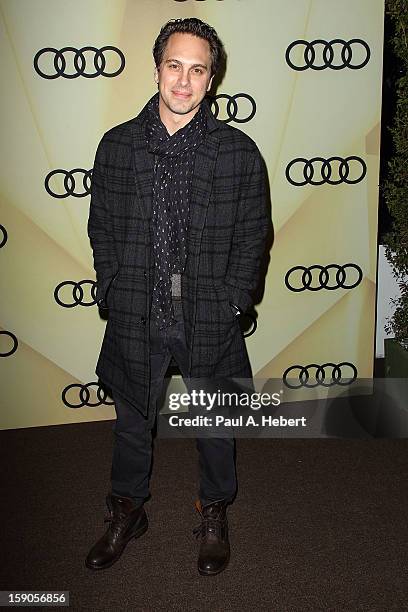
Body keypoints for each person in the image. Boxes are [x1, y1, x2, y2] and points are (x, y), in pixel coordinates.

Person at [85, 17, 270, 576]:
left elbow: (253, 233)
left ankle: (214, 511)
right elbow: (103, 227)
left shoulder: (238, 153)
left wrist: (236, 299)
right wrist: (114, 288)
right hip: (138, 309)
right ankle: (128, 509)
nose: (184, 81)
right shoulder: (117, 146)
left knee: (214, 423)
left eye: (197, 69)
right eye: (175, 66)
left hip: (209, 313)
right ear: (157, 68)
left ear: (211, 79)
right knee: (131, 421)